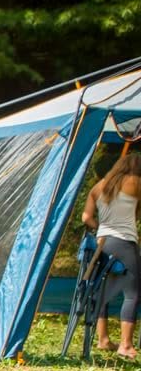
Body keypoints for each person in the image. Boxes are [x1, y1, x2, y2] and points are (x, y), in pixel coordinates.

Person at [80, 153, 141, 359]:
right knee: (132, 294)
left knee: (102, 291)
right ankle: (126, 345)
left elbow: (86, 217)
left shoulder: (99, 187)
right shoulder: (135, 182)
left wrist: (102, 228)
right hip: (125, 242)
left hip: (102, 244)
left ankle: (103, 339)